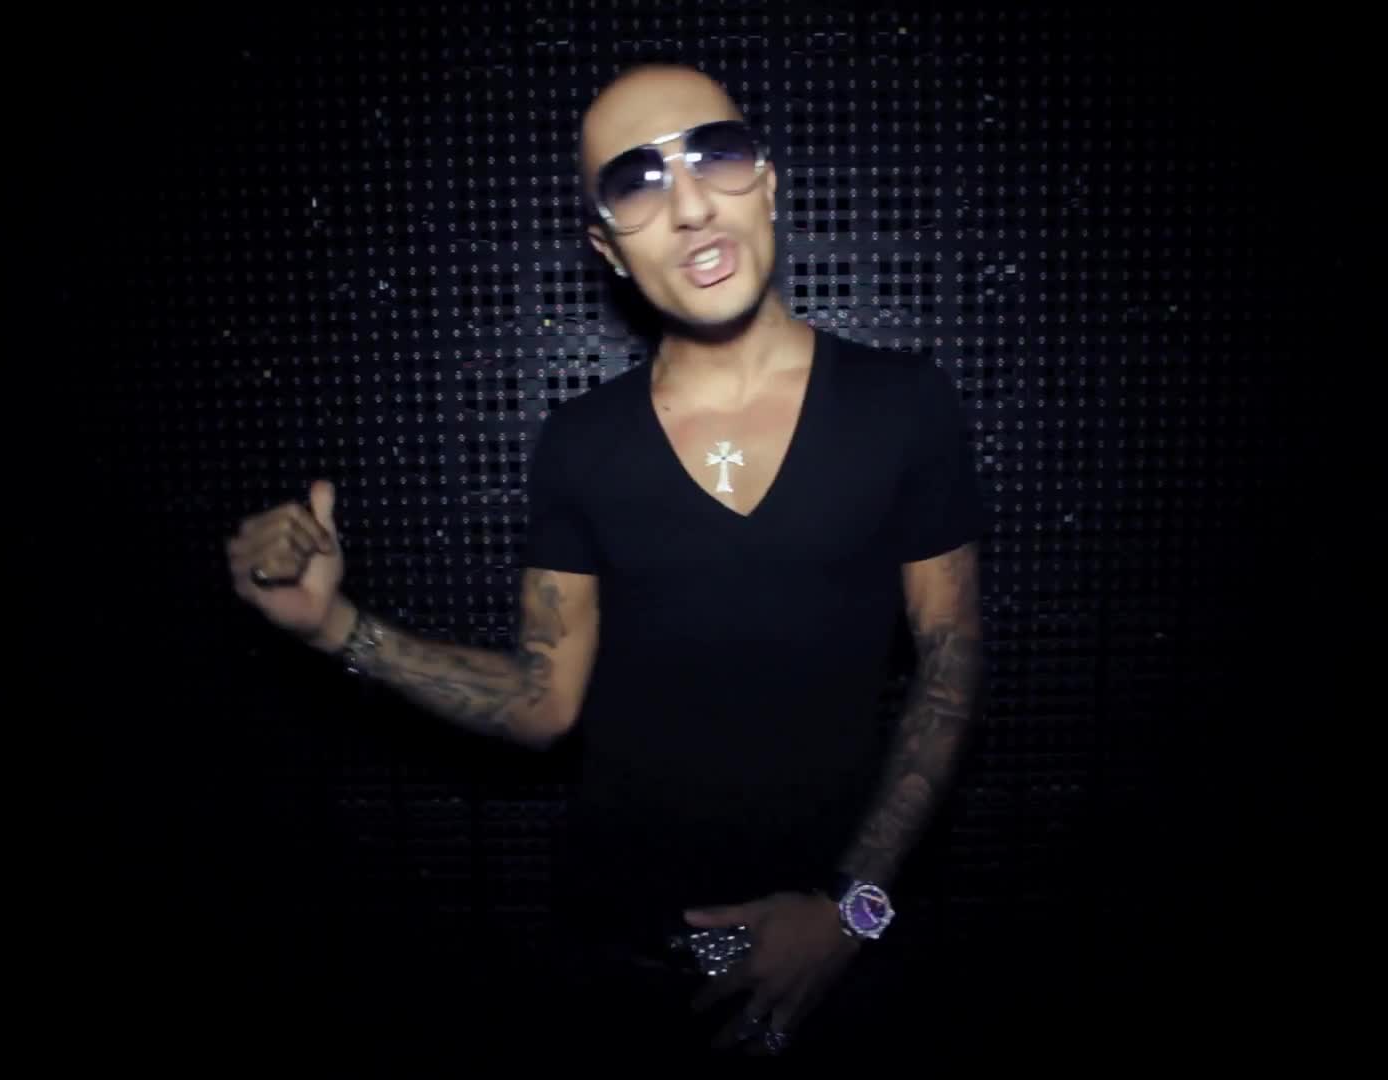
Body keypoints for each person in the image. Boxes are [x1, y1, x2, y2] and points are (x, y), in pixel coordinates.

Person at [224, 62, 988, 1061]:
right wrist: (334, 628)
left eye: (716, 155)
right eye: (637, 181)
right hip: (627, 960)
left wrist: (854, 914)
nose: (690, 204)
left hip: (839, 960)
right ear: (608, 249)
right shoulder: (580, 444)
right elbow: (543, 701)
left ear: (766, 185)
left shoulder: (905, 405)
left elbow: (950, 669)